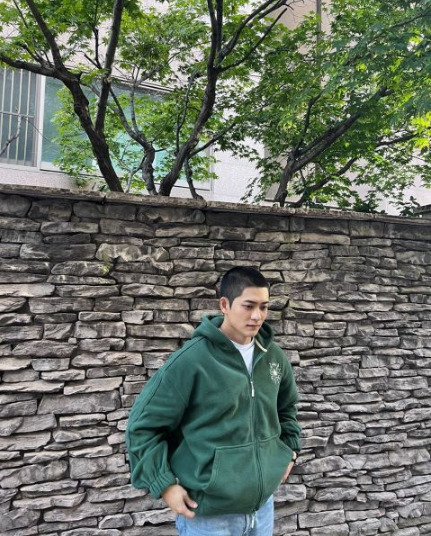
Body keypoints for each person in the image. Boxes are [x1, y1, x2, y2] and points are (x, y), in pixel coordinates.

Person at [126, 267, 301, 536]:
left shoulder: (273, 356)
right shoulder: (191, 361)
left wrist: (290, 449)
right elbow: (142, 427)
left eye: (264, 307)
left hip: (262, 509)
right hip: (209, 517)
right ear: (224, 305)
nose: (257, 316)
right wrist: (165, 485)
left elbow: (286, 408)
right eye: (248, 306)